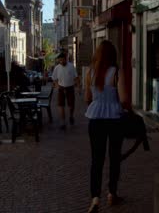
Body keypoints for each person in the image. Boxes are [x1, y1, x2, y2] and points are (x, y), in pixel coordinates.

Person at [84, 40, 129, 213]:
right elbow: (124, 99)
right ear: (113, 55)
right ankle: (112, 192)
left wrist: (98, 98)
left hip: (95, 119)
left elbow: (87, 98)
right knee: (114, 158)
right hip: (114, 119)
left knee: (97, 159)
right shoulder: (117, 72)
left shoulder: (90, 73)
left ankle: (95, 198)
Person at [52, 53, 79, 129]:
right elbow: (54, 79)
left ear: (66, 59)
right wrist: (57, 85)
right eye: (60, 60)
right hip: (61, 88)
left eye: (62, 59)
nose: (61, 61)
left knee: (71, 105)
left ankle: (71, 116)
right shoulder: (57, 68)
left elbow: (76, 77)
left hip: (70, 87)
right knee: (61, 105)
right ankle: (63, 122)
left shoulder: (71, 66)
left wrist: (79, 87)